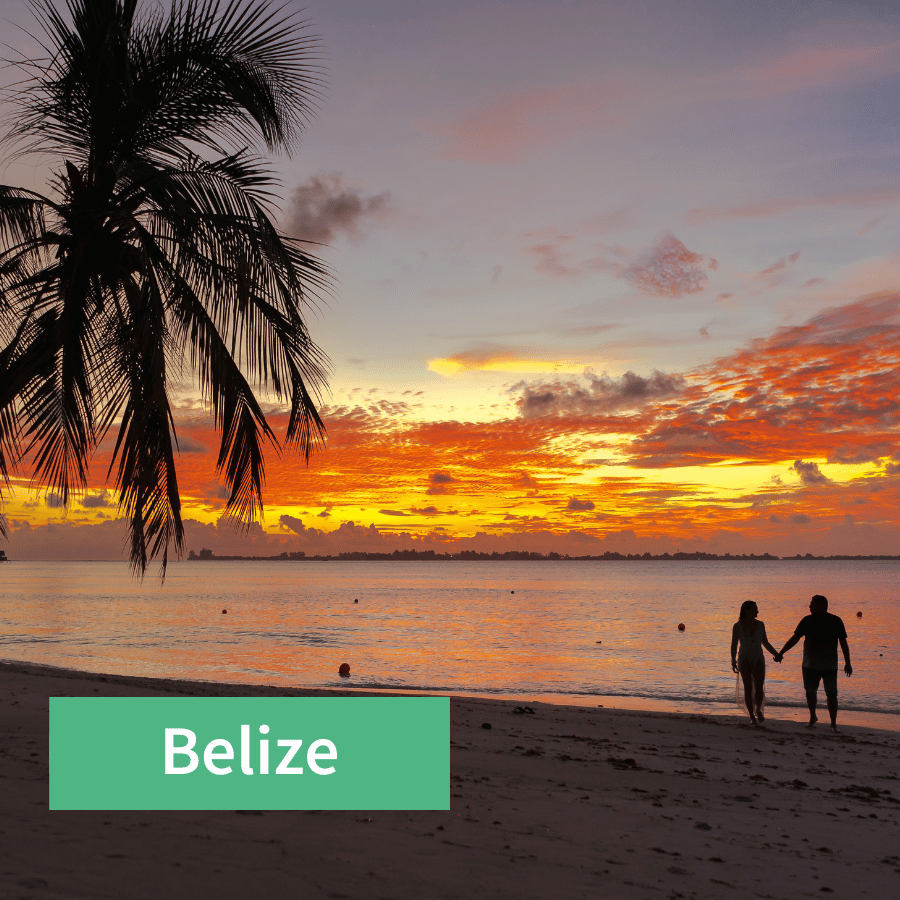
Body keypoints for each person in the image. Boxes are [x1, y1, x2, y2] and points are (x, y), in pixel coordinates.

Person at [775, 595, 852, 733]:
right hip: (809, 665)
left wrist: (848, 662)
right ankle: (812, 717)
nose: (809, 606)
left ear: (821, 606)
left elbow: (843, 643)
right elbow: (795, 638)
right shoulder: (807, 620)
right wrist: (781, 652)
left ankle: (833, 724)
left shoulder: (835, 621)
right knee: (810, 693)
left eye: (812, 604)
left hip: (830, 666)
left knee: (832, 694)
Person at [730, 600, 779, 726]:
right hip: (744, 658)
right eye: (755, 609)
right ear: (746, 610)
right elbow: (734, 644)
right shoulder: (737, 626)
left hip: (758, 658)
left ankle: (758, 709)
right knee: (748, 688)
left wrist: (776, 654)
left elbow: (765, 643)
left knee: (758, 687)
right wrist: (733, 660)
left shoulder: (761, 624)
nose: (757, 611)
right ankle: (752, 715)